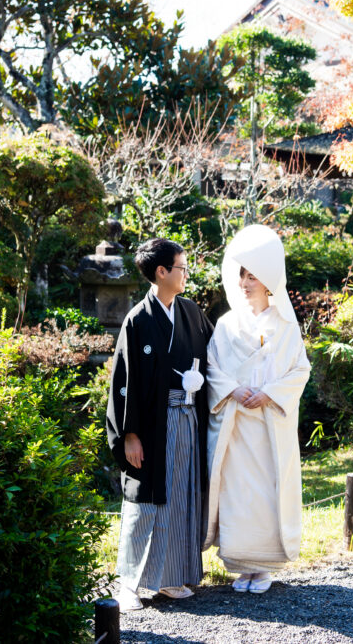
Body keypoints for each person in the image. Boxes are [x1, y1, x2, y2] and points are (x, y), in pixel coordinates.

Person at [105, 238, 213, 611]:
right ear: (161, 272)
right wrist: (129, 434)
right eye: (181, 267)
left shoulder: (190, 312)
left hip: (186, 418)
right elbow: (123, 383)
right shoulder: (138, 320)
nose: (185, 274)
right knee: (144, 500)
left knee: (179, 497)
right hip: (150, 425)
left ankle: (168, 578)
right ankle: (128, 584)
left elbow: (215, 353)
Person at [204, 225, 311, 594]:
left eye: (252, 276)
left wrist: (268, 393)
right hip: (236, 423)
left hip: (268, 426)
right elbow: (212, 367)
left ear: (268, 282)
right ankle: (240, 565)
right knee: (237, 493)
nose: (245, 283)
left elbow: (300, 369)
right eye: (242, 276)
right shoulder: (226, 324)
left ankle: (262, 568)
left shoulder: (285, 326)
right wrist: (234, 389)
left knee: (266, 492)